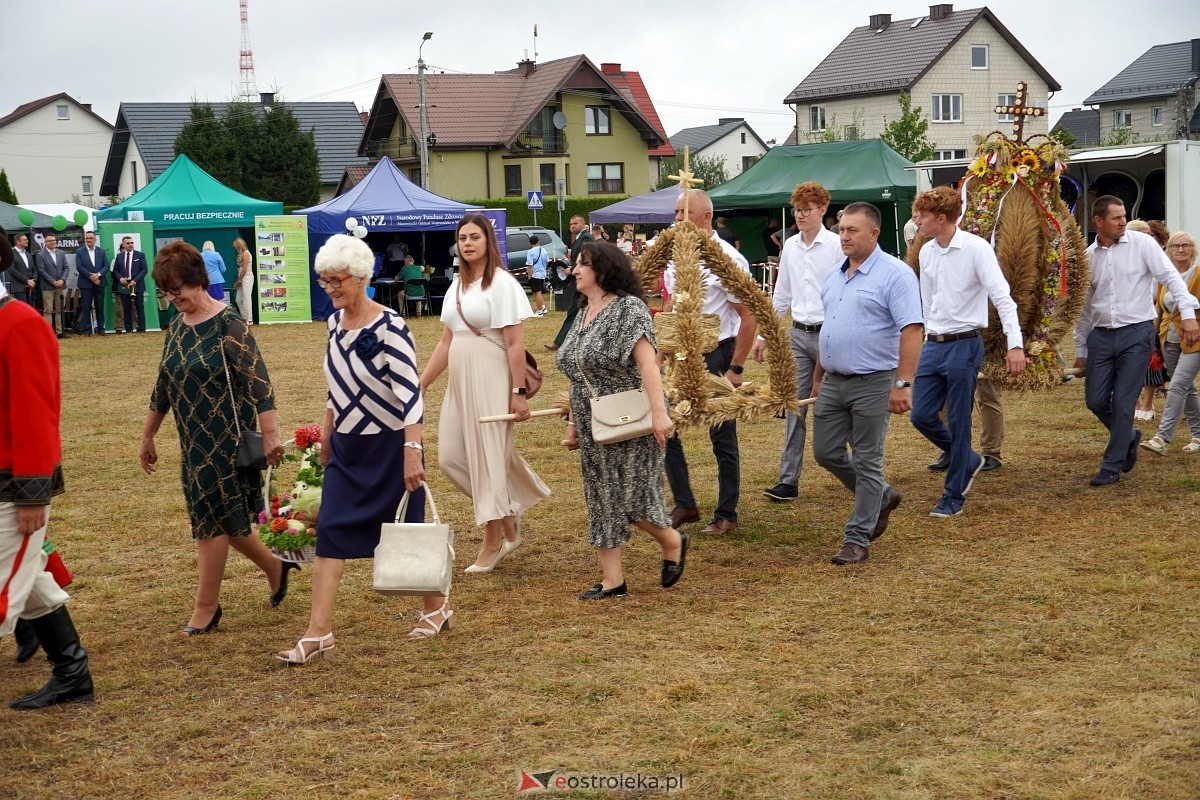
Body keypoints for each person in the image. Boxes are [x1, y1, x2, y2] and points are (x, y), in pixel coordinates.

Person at [276, 236, 443, 664]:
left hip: (390, 445)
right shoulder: (333, 325)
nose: (329, 288)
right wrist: (329, 433)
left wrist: (412, 449)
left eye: (337, 280)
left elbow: (410, 395)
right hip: (347, 447)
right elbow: (337, 386)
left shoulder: (390, 327)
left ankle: (436, 607)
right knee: (330, 531)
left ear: (363, 278)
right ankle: (318, 633)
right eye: (324, 280)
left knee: (404, 533)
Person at [139, 241, 293, 636]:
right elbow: (163, 387)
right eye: (167, 292)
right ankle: (276, 566)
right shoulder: (175, 328)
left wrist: (272, 436)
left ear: (198, 281)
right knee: (230, 524)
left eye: (178, 290)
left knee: (210, 525)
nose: (173, 299)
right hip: (192, 443)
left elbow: (260, 385)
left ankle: (206, 609)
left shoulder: (230, 324)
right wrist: (148, 436)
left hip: (228, 440)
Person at [419, 213, 550, 572]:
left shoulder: (502, 284)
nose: (468, 243)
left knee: (488, 460)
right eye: (462, 238)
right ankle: (507, 519)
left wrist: (517, 391)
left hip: (493, 376)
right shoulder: (456, 287)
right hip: (460, 381)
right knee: (451, 457)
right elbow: (446, 341)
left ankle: (493, 541)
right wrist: (422, 383)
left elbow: (514, 344)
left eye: (475, 237)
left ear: (487, 241)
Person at [558, 241, 687, 599]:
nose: (575, 270)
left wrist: (660, 414)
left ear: (603, 268)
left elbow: (649, 364)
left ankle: (672, 539)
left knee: (631, 499)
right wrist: (573, 425)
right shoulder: (583, 311)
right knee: (600, 498)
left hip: (631, 415)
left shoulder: (629, 309)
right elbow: (577, 373)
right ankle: (613, 580)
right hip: (592, 420)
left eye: (582, 264)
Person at [0, 225, 95, 710]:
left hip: (10, 491)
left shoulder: (19, 322)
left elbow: (37, 414)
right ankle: (71, 669)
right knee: (30, 576)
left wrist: (33, 493)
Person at [812, 202, 924, 564]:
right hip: (833, 379)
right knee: (825, 452)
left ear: (874, 233)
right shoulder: (834, 275)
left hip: (874, 381)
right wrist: (818, 376)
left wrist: (902, 383)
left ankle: (857, 538)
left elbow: (912, 329)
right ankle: (883, 495)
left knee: (867, 459)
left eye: (852, 230)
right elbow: (829, 327)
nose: (843, 236)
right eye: (842, 229)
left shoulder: (895, 274)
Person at [908, 187, 1027, 518]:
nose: (917, 221)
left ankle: (953, 495)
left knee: (960, 421)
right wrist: (923, 339)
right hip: (935, 344)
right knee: (921, 415)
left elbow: (1002, 296)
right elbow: (926, 300)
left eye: (923, 216)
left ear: (942, 219)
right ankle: (968, 457)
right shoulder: (927, 252)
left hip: (964, 345)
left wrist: (1014, 344)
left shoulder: (976, 249)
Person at [1072, 196, 1200, 486]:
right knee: (1095, 400)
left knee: (1125, 401)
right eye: (1116, 217)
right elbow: (1083, 308)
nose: (1122, 222)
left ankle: (1111, 466)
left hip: (1137, 334)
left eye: (1124, 216)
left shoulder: (1143, 245)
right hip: (1101, 337)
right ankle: (1128, 436)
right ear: (1098, 222)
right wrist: (1081, 350)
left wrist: (1189, 313)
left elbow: (1171, 277)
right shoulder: (1088, 257)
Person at [663, 189, 756, 535]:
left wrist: (735, 368)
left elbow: (748, 317)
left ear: (705, 217)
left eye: (682, 213)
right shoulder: (675, 256)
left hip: (718, 352)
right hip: (681, 354)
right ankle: (685, 503)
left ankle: (727, 512)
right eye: (674, 213)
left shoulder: (727, 259)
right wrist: (661, 352)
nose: (676, 220)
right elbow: (671, 304)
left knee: (722, 434)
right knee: (666, 426)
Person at [751, 182, 842, 502]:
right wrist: (764, 334)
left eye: (807, 210)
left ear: (822, 210)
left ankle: (859, 471)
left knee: (841, 405)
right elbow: (782, 294)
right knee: (794, 406)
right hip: (799, 335)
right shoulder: (789, 246)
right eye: (797, 210)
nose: (800, 216)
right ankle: (788, 480)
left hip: (832, 334)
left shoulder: (835, 245)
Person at [1142, 230, 1200, 455]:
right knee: (1187, 389)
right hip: (1169, 340)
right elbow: (1159, 309)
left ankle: (1162, 438)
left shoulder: (1198, 274)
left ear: (1192, 249)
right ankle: (1198, 434)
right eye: (1176, 246)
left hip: (1195, 341)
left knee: (1176, 386)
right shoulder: (1164, 278)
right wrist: (1154, 338)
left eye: (1185, 245)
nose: (1181, 250)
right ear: (1169, 250)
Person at [546, 215, 591, 352]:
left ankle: (560, 343)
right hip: (581, 283)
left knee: (574, 313)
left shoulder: (586, 238)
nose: (572, 226)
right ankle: (563, 342)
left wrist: (571, 270)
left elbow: (587, 258)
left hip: (585, 283)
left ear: (583, 224)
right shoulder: (579, 239)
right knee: (576, 314)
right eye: (571, 224)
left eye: (576, 223)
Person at [73, 231, 108, 335]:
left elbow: (106, 265)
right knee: (86, 306)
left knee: (100, 306)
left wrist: (98, 275)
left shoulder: (101, 251)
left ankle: (101, 328)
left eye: (91, 238)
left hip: (100, 282)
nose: (88, 240)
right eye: (87, 238)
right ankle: (86, 329)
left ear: (95, 239)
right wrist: (91, 276)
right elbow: (79, 267)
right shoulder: (80, 251)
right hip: (86, 284)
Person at [36, 233, 69, 339]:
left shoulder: (61, 253)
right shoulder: (40, 255)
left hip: (61, 286)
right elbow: (41, 271)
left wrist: (62, 280)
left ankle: (60, 332)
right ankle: (48, 333)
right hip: (47, 287)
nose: (53, 242)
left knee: (60, 310)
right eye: (50, 241)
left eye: (54, 240)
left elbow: (66, 268)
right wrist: (53, 281)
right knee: (48, 310)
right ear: (45, 243)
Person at [114, 236, 148, 334]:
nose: (130, 245)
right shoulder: (119, 256)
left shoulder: (140, 255)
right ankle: (128, 329)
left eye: (132, 243)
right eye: (128, 243)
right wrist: (120, 278)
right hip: (124, 285)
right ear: (123, 245)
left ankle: (141, 328)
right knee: (126, 307)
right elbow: (115, 271)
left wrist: (135, 280)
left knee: (139, 306)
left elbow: (144, 269)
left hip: (137, 284)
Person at [6, 233, 35, 305]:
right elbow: (12, 270)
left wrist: (33, 280)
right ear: (17, 242)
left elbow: (34, 269)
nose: (27, 241)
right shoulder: (11, 253)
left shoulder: (28, 254)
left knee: (30, 310)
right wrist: (26, 280)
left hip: (30, 288)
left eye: (27, 239)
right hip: (18, 289)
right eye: (25, 240)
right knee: (22, 312)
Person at [525, 234, 549, 317]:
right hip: (542, 273)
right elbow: (546, 262)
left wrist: (529, 276)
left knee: (536, 292)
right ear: (538, 241)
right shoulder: (544, 250)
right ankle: (543, 308)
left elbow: (530, 265)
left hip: (535, 274)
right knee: (539, 292)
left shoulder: (530, 252)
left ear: (530, 243)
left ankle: (539, 311)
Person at [233, 237, 254, 324]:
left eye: (236, 247)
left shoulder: (246, 254)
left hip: (247, 277)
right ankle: (244, 317)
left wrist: (239, 281)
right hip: (242, 277)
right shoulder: (242, 254)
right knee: (238, 299)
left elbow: (244, 269)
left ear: (239, 246)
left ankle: (249, 319)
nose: (235, 248)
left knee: (246, 298)